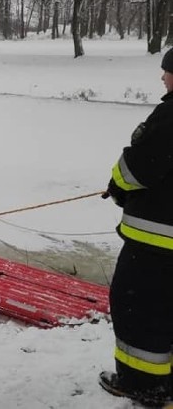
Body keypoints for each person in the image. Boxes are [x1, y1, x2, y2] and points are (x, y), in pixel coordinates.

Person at [98, 50, 173, 407]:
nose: (163, 78)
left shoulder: (169, 116)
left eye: (167, 72)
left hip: (157, 240)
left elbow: (138, 167)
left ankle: (142, 382)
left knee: (138, 309)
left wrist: (116, 186)